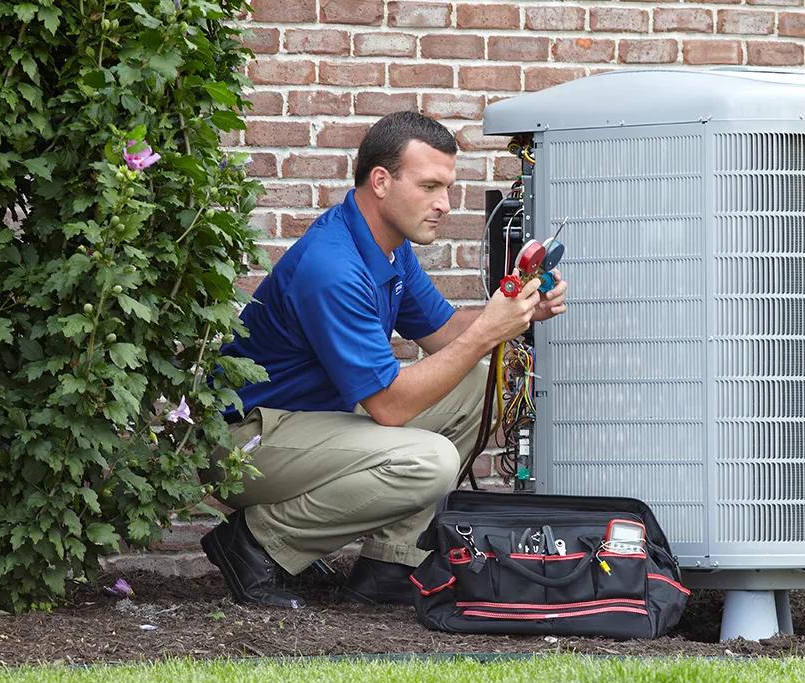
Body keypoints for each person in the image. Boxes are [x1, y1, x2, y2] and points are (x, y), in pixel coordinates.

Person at [201, 111, 567, 609]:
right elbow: (390, 407)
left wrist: (520, 310)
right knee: (429, 461)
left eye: (447, 188)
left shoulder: (388, 248)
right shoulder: (333, 266)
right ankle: (255, 544)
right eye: (429, 186)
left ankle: (390, 566)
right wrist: (488, 331)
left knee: (483, 385)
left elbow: (443, 335)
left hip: (310, 422)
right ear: (380, 182)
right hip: (245, 444)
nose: (444, 204)